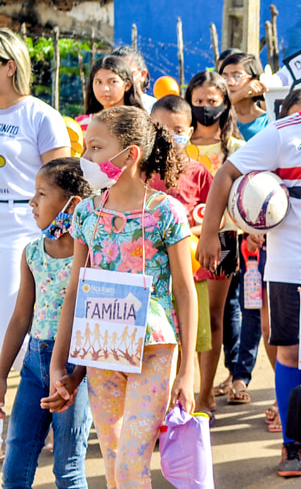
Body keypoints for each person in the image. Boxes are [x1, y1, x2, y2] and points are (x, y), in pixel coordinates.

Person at [197, 50, 301, 477]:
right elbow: (226, 176)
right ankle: (293, 447)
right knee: (290, 352)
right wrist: (210, 233)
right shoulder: (281, 134)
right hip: (289, 269)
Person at [50, 106, 197, 487]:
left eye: (96, 148)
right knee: (114, 464)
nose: (86, 159)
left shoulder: (166, 212)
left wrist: (188, 369)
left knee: (132, 463)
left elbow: (184, 290)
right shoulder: (86, 213)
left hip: (154, 349)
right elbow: (74, 293)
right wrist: (60, 366)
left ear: (130, 155)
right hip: (102, 349)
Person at [0, 158, 92, 488]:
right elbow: (21, 318)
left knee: (68, 469)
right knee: (14, 464)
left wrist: (76, 376)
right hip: (33, 369)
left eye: (41, 193)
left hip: (74, 371)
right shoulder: (32, 252)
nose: (32, 202)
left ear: (72, 204)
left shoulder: (94, 254)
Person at [0, 30, 71, 394]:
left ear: (10, 66)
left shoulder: (40, 116)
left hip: (22, 224)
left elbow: (62, 187)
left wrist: (57, 239)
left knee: (11, 325)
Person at [182, 70, 245, 414]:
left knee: (215, 316)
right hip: (179, 241)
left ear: (225, 103)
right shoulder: (179, 144)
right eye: (199, 101)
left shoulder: (237, 149)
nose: (205, 107)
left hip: (224, 240)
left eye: (212, 101)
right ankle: (182, 391)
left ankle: (205, 393)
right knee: (184, 317)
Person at [77, 55, 146, 132]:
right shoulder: (80, 125)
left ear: (127, 85)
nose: (105, 88)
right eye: (98, 82)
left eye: (113, 81)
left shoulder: (139, 124)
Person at [219, 52, 271, 141]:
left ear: (254, 80)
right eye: (224, 78)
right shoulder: (220, 116)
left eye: (237, 76)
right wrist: (242, 93)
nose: (229, 83)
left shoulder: (267, 120)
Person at [112, 46, 157, 112]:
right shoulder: (106, 105)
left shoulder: (153, 108)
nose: (120, 78)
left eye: (126, 73)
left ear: (143, 75)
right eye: (115, 74)